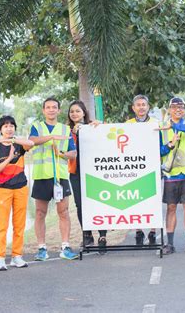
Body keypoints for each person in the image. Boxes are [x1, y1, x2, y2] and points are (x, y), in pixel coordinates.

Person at [29, 97, 78, 260]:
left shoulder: (65, 129)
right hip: (42, 175)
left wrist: (61, 154)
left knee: (63, 212)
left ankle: (65, 247)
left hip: (61, 177)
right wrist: (51, 138)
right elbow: (32, 141)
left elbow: (73, 153)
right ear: (43, 110)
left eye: (54, 107)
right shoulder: (37, 127)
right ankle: (42, 248)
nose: (51, 110)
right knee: (40, 212)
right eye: (48, 107)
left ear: (58, 110)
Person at [126, 94, 172, 245]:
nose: (141, 107)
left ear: (148, 107)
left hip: (153, 168)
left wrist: (167, 147)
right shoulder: (127, 125)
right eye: (138, 105)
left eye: (143, 104)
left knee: (154, 200)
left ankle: (153, 231)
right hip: (134, 167)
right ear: (133, 108)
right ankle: (138, 231)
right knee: (135, 200)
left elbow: (160, 147)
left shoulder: (156, 124)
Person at [0, 116, 34, 271]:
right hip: (3, 189)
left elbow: (31, 144)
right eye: (5, 126)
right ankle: (0, 257)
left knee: (19, 223)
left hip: (21, 187)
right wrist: (9, 158)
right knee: (2, 224)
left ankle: (17, 256)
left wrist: (15, 140)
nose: (9, 129)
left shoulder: (19, 144)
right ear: (0, 129)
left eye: (11, 126)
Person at [67, 100, 107, 254]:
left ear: (84, 112)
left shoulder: (93, 127)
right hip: (76, 172)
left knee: (98, 202)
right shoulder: (67, 131)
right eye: (72, 111)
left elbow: (105, 140)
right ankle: (87, 234)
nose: (74, 114)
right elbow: (67, 150)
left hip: (95, 171)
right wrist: (74, 134)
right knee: (80, 205)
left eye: (77, 111)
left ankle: (102, 236)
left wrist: (99, 125)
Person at [160, 97, 185, 255]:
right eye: (174, 107)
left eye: (181, 107)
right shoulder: (162, 127)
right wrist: (169, 145)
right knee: (171, 208)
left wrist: (175, 126)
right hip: (171, 174)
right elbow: (158, 150)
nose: (178, 109)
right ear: (169, 109)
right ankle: (170, 244)